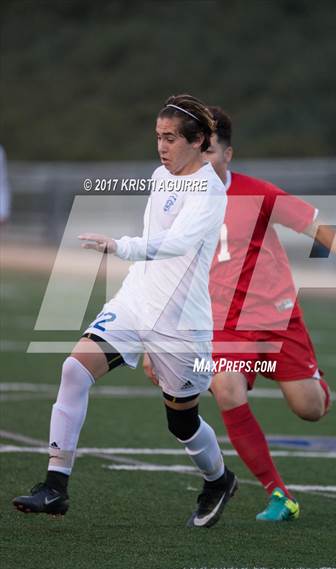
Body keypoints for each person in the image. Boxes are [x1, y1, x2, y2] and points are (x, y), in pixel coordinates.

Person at [143, 106, 336, 523]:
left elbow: (319, 228)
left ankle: (315, 382)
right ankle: (279, 494)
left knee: (309, 409)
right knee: (225, 389)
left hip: (278, 319)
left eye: (209, 155)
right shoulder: (177, 204)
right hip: (224, 325)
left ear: (227, 155)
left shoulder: (257, 193)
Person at [13, 94, 238, 529]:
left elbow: (177, 244)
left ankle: (220, 479)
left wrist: (121, 246)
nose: (161, 146)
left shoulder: (211, 192)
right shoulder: (160, 176)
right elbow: (157, 239)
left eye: (170, 138)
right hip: (136, 304)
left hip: (179, 323)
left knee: (183, 424)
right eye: (157, 137)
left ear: (196, 142)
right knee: (74, 370)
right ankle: (55, 486)